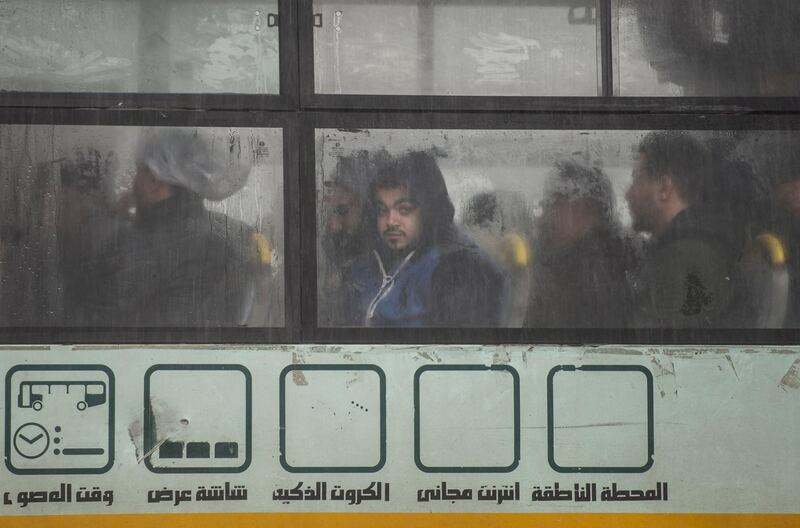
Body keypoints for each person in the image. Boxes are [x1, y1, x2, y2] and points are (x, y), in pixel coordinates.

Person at [111, 128, 261, 326]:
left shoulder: (143, 246)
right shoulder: (226, 236)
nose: (132, 184)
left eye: (138, 172)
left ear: (154, 181)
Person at [346, 151, 503, 327]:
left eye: (404, 210)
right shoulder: (373, 259)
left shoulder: (460, 269)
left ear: (429, 212)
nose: (390, 222)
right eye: (382, 210)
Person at [625, 132, 741, 328]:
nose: (628, 194)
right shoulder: (699, 245)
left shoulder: (680, 262)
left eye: (637, 180)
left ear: (664, 188)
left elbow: (671, 354)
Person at [525, 159, 641, 328]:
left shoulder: (602, 274)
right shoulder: (549, 262)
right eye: (546, 203)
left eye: (555, 203)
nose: (544, 214)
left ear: (586, 211)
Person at [318, 150, 389, 326]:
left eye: (343, 211)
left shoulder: (390, 267)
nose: (332, 225)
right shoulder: (330, 252)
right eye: (329, 212)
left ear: (368, 211)